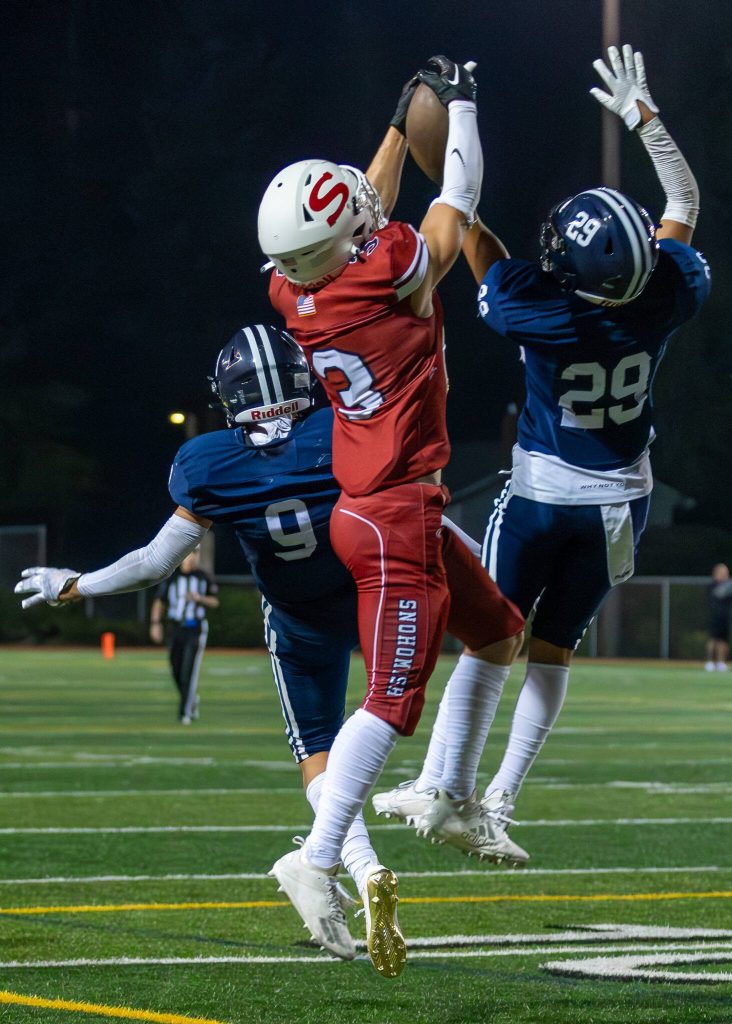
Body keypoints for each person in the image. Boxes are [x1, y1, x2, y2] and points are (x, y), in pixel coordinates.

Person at [15, 322, 524, 970]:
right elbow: (404, 502)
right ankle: (434, 798)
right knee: (415, 689)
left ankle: (357, 868)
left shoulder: (207, 462)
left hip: (298, 616)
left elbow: (152, 562)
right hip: (374, 584)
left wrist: (76, 585)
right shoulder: (338, 430)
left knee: (317, 751)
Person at [374, 45, 711, 856]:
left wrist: (461, 207)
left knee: (491, 636)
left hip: (538, 500)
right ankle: (498, 801)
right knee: (553, 651)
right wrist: (646, 119)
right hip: (620, 503)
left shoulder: (543, 312)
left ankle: (446, 785)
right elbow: (684, 199)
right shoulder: (670, 288)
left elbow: (486, 263)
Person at [258, 55, 524, 977]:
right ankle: (317, 856)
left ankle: (450, 795)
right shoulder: (388, 276)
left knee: (497, 630)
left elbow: (357, 213)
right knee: (388, 703)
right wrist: (461, 106)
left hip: (376, 505)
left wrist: (385, 132)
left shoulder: (293, 291)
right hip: (394, 511)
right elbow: (459, 193)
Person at [149, 547, 219, 723]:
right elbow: (159, 601)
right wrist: (155, 624)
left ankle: (185, 713)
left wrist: (200, 599)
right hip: (175, 628)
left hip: (195, 629)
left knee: (189, 671)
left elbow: (215, 601)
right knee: (176, 670)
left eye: (195, 555)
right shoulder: (171, 577)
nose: (191, 559)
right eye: (189, 555)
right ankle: (191, 700)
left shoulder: (204, 577)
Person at [705, 563, 732, 671]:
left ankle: (721, 663)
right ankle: (710, 662)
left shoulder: (728, 586)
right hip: (714, 616)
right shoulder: (712, 585)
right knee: (713, 639)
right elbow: (716, 595)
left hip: (725, 617)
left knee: (723, 641)